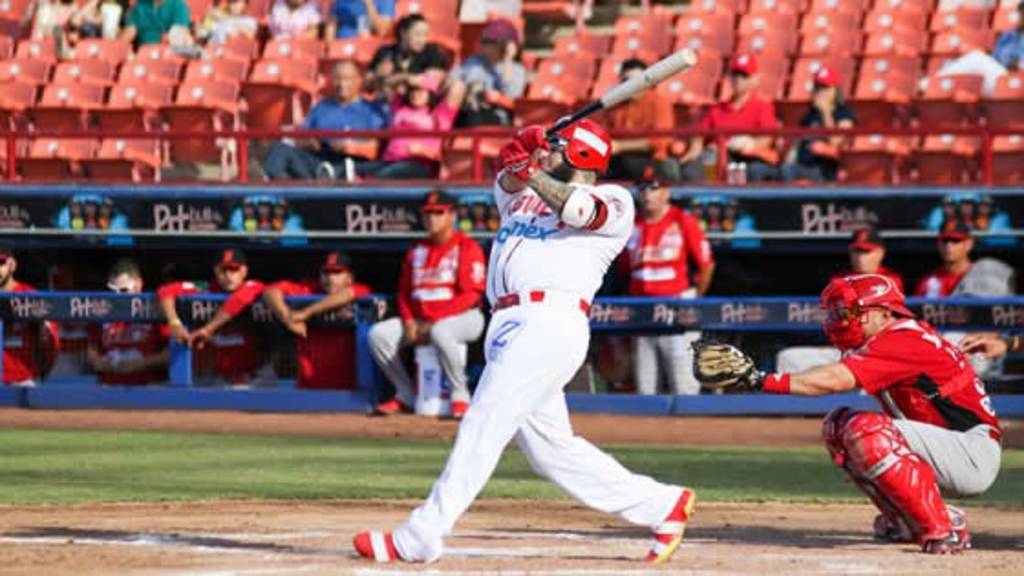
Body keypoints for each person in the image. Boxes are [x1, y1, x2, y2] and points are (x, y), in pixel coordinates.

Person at [354, 120, 695, 564]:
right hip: (508, 323)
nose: (548, 151)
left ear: (581, 155)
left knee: (484, 419)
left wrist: (532, 169)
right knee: (551, 452)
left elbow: (578, 210)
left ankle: (422, 533)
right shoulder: (528, 196)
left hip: (549, 321)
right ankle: (661, 504)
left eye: (558, 146)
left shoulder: (615, 201)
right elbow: (507, 179)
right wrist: (524, 147)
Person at [693, 273, 1001, 554]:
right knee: (838, 425)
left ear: (885, 313)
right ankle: (907, 522)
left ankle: (944, 528)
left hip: (971, 452)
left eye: (852, 313)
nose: (841, 320)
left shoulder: (904, 338)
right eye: (839, 313)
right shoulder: (891, 336)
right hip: (948, 446)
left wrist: (760, 379)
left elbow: (833, 380)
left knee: (867, 430)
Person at [368, 190, 486, 418]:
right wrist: (409, 321)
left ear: (452, 216)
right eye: (428, 214)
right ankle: (405, 394)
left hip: (465, 317)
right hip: (421, 320)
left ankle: (460, 396)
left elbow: (471, 295)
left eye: (438, 213)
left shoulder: (467, 246)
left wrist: (432, 321)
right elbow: (404, 293)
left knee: (441, 331)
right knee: (378, 335)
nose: (432, 219)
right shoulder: (417, 249)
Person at [622, 171, 714, 395]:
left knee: (683, 382)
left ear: (666, 192)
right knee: (645, 383)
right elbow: (623, 269)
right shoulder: (631, 224)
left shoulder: (683, 220)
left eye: (654, 188)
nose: (647, 194)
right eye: (643, 188)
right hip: (641, 310)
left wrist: (694, 300)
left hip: (677, 307)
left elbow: (706, 265)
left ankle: (690, 418)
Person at [777, 225, 905, 373]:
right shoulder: (840, 280)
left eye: (866, 252)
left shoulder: (890, 281)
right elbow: (836, 317)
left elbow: (886, 320)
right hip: (841, 347)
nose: (861, 258)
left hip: (875, 347)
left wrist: (849, 313)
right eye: (857, 251)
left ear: (880, 253)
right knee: (788, 357)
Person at [262, 60, 389, 181]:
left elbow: (375, 149)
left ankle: (331, 177)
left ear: (359, 80)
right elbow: (303, 137)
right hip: (319, 161)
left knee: (354, 166)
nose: (342, 84)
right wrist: (310, 142)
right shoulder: (321, 107)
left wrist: (348, 147)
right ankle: (269, 191)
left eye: (347, 79)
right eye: (337, 78)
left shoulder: (372, 110)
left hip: (353, 163)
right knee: (280, 149)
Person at [157, 249, 267, 387]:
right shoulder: (207, 288)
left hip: (251, 376)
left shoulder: (254, 286)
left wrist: (208, 329)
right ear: (215, 271)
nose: (228, 275)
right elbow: (166, 291)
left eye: (234, 270)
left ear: (244, 271)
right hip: (216, 377)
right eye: (223, 270)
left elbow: (238, 300)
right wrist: (174, 323)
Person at [262, 251, 372, 390]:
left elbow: (348, 294)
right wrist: (287, 318)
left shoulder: (361, 290)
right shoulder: (309, 290)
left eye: (337, 273)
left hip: (349, 389)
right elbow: (270, 291)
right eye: (326, 273)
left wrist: (306, 313)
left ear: (349, 278)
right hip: (310, 386)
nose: (330, 278)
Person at [678, 53, 780, 182]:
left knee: (737, 168)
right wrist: (695, 149)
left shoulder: (762, 107)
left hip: (743, 160)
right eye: (735, 74)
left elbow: (766, 138)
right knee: (694, 166)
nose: (738, 79)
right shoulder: (718, 109)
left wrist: (749, 144)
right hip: (715, 160)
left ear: (754, 79)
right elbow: (699, 134)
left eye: (744, 75)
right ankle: (705, 192)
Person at [357, 74, 464, 179]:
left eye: (420, 91)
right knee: (354, 170)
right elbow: (388, 84)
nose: (415, 94)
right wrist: (407, 78)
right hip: (390, 161)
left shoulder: (440, 113)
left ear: (430, 93)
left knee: (382, 176)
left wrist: (432, 82)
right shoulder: (400, 106)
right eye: (412, 90)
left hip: (418, 164)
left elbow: (459, 87)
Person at [87, 259, 169, 386]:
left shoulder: (155, 310)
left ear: (138, 285)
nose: (117, 296)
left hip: (147, 386)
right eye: (113, 291)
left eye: (123, 290)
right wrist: (109, 364)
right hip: (110, 386)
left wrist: (141, 363)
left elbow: (170, 354)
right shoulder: (103, 313)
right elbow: (92, 355)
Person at [925, 2, 1024, 96]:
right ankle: (933, 85)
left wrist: (1020, 64)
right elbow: (995, 60)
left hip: (1020, 85)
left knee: (977, 58)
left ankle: (930, 84)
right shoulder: (1009, 36)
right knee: (975, 60)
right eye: (1021, 13)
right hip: (1003, 79)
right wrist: (1009, 63)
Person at [605, 58, 679, 181]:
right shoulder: (615, 104)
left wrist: (620, 146)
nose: (631, 85)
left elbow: (660, 142)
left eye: (637, 80)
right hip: (618, 159)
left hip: (650, 159)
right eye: (626, 80)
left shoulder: (659, 102)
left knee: (628, 164)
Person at [782, 65, 856, 183]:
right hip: (803, 165)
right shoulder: (810, 115)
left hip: (825, 169)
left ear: (835, 90)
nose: (821, 92)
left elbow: (836, 141)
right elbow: (797, 143)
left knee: (788, 170)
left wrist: (825, 112)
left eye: (825, 88)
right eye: (817, 87)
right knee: (768, 170)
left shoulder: (843, 113)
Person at [0, 248, 60, 387]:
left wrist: (42, 373)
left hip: (22, 380)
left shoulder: (30, 295)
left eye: (1, 263)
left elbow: (53, 344)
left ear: (12, 265)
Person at [450, 18, 524, 127]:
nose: (482, 45)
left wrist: (507, 60)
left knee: (472, 117)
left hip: (497, 115)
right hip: (469, 110)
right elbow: (455, 77)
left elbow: (511, 96)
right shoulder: (475, 61)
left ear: (503, 46)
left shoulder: (517, 69)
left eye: (489, 42)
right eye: (483, 40)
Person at [367, 14, 449, 95]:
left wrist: (404, 78)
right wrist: (377, 75)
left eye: (425, 35)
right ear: (403, 33)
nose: (422, 40)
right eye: (417, 34)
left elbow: (435, 83)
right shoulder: (385, 52)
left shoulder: (431, 52)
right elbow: (367, 86)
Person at [120, 0, 193, 48]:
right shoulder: (140, 4)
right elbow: (130, 31)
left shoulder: (178, 5)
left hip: (167, 53)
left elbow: (180, 34)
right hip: (142, 52)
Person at [326, 0, 394, 40]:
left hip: (369, 48)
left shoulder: (385, 1)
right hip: (343, 45)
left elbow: (381, 30)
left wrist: (369, 3)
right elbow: (331, 27)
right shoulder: (339, 2)